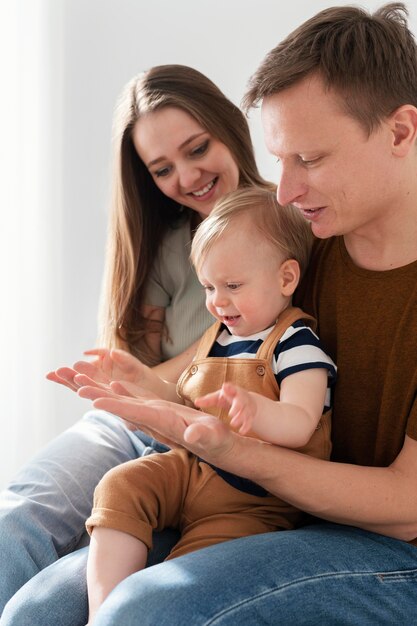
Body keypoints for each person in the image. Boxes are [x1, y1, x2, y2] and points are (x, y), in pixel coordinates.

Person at [3, 3, 417, 625]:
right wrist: (159, 398)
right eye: (280, 160)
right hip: (278, 507)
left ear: (401, 131)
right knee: (37, 609)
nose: (285, 192)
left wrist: (235, 451)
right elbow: (232, 375)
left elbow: (407, 504)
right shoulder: (302, 249)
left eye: (310, 159)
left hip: (392, 547)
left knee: (140, 612)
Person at [0, 64, 271, 616]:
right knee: (22, 515)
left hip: (203, 446)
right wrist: (127, 382)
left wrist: (156, 385)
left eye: (197, 149)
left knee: (49, 597)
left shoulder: (291, 223)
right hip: (130, 423)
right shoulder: (170, 245)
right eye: (163, 168)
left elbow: (258, 350)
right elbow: (143, 356)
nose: (188, 176)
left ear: (229, 127)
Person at [84, 187, 336, 623]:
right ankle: (102, 613)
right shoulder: (217, 338)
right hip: (191, 468)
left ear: (286, 279)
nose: (217, 301)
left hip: (252, 502)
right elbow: (181, 404)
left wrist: (258, 412)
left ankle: (137, 609)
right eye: (208, 286)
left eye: (233, 286)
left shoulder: (296, 345)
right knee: (121, 483)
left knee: (194, 573)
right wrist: (138, 379)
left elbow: (300, 422)